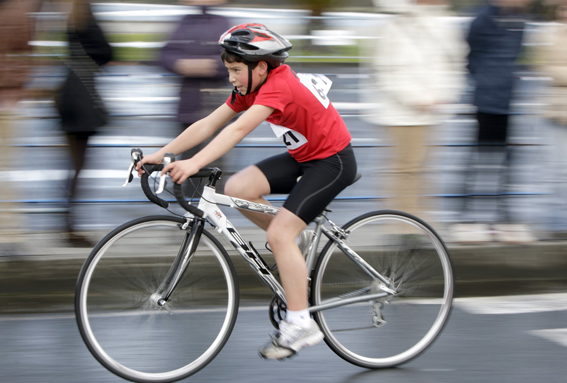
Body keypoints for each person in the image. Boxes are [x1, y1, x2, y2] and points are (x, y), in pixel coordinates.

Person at [137, 23, 357, 360]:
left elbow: (238, 128)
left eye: (236, 70)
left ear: (261, 67)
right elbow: (209, 123)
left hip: (333, 162)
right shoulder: (254, 84)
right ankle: (294, 249)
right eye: (228, 70)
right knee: (238, 187)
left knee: (281, 234)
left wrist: (193, 163)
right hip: (304, 157)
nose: (231, 78)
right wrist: (163, 153)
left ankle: (301, 323)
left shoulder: (278, 85)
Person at [367, 0, 467, 222]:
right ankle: (405, 224)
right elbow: (386, 70)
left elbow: (453, 63)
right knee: (407, 170)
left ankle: (415, 223)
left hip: (430, 109)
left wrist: (443, 95)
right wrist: (418, 99)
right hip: (401, 112)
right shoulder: (398, 23)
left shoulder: (441, 22)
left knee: (419, 170)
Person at [453, 0, 535, 243]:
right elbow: (471, 57)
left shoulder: (518, 22)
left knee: (506, 160)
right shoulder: (482, 20)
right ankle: (467, 218)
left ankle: (503, 217)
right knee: (478, 159)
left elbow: (515, 56)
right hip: (487, 101)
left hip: (507, 100)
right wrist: (486, 83)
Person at [55, 0, 112, 246]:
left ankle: (68, 223)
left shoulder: (71, 20)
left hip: (68, 94)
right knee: (79, 165)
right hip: (82, 99)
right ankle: (70, 227)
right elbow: (108, 53)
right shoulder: (87, 17)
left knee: (74, 165)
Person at [158, 0, 230, 195]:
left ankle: (207, 203)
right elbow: (165, 54)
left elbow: (237, 59)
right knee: (188, 157)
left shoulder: (224, 24)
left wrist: (208, 66)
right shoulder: (186, 22)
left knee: (212, 160)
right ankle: (192, 206)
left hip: (215, 106)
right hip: (190, 105)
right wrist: (179, 64)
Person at [0, 0, 37, 255]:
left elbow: (25, 54)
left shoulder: (17, 10)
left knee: (5, 170)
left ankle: (9, 234)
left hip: (6, 103)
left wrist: (12, 85)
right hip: (9, 100)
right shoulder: (18, 10)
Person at [532, 1, 567, 237]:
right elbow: (543, 66)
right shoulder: (546, 34)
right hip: (555, 111)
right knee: (556, 168)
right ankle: (556, 223)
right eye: (562, 9)